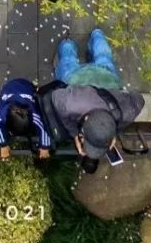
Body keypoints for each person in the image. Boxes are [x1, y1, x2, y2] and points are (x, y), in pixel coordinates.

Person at [43, 30, 144, 169]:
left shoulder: (127, 113)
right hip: (77, 77)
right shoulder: (73, 104)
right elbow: (56, 96)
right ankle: (67, 43)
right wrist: (73, 134)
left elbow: (138, 99)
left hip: (107, 78)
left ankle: (97, 35)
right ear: (85, 120)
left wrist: (112, 131)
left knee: (104, 57)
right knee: (67, 62)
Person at [0, 75, 52, 159]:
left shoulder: (33, 113)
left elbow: (42, 125)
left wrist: (45, 146)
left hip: (26, 86)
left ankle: (35, 88)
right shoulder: (1, 113)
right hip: (10, 88)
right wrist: (3, 144)